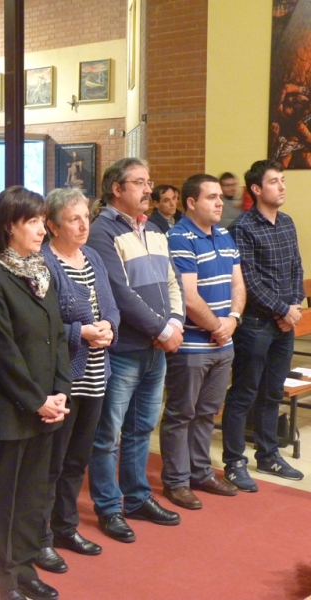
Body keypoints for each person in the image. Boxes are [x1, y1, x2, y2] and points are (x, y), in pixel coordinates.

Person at [0, 185, 72, 600]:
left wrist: (61, 392)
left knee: (34, 495)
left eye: (40, 221)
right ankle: (3, 579)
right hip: (15, 408)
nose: (41, 230)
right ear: (9, 226)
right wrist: (36, 400)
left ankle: (27, 567)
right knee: (6, 497)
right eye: (32, 221)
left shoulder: (41, 270)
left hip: (48, 404)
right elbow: (3, 348)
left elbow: (58, 336)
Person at [86, 158, 185, 544]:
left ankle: (138, 497)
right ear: (117, 189)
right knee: (108, 433)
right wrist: (162, 329)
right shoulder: (102, 232)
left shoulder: (155, 229)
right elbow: (119, 293)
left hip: (155, 348)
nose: (149, 190)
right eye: (140, 183)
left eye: (149, 182)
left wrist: (174, 324)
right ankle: (109, 507)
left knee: (143, 428)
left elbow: (172, 281)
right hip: (125, 349)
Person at [37, 188, 119, 574]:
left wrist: (108, 327)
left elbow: (111, 304)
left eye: (86, 215)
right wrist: (81, 333)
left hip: (97, 373)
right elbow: (45, 323)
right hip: (64, 376)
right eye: (73, 218)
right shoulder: (45, 263)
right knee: (51, 463)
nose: (84, 224)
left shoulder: (94, 257)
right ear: (52, 225)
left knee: (77, 460)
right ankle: (39, 538)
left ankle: (65, 526)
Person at [160, 174, 246, 511]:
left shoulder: (224, 234)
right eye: (211, 197)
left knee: (208, 413)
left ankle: (200, 471)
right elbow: (188, 297)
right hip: (192, 345)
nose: (219, 202)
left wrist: (233, 320)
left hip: (222, 345)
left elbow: (239, 285)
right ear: (191, 203)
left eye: (219, 197)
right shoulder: (179, 237)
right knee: (182, 414)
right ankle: (177, 481)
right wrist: (218, 327)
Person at [222, 159, 305, 490]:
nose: (282, 186)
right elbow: (249, 281)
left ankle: (268, 454)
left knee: (272, 392)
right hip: (256, 324)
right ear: (256, 189)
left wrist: (294, 306)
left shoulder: (286, 222)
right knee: (245, 392)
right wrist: (282, 309)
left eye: (283, 180)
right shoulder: (242, 227)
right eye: (274, 182)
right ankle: (233, 461)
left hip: (284, 324)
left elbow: (297, 267)